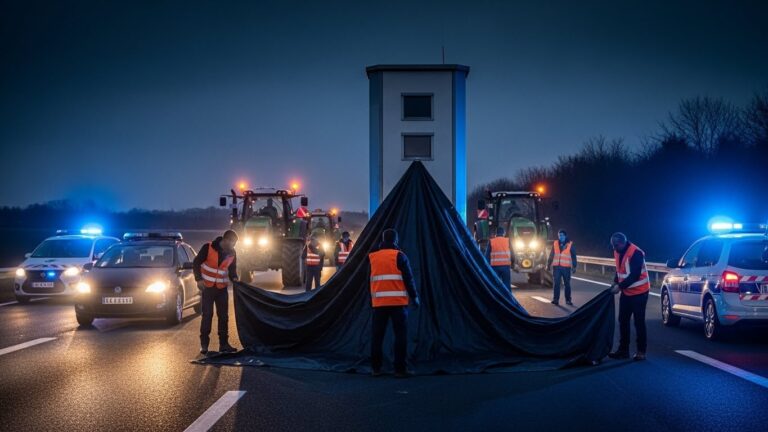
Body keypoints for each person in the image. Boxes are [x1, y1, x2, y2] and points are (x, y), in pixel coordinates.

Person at [368, 229, 419, 378]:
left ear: (383, 239)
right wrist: (414, 297)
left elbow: (368, 282)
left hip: (379, 304)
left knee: (377, 337)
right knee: (400, 336)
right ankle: (400, 370)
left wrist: (371, 301)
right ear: (396, 240)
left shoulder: (373, 257)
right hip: (398, 304)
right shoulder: (400, 256)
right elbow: (409, 279)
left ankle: (376, 369)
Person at [193, 230, 239, 355]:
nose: (233, 246)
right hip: (207, 288)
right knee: (207, 315)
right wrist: (198, 279)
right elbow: (196, 262)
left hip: (222, 289)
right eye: (233, 242)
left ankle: (224, 345)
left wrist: (235, 278)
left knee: (224, 317)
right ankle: (204, 345)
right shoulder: (208, 247)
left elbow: (232, 270)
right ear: (226, 240)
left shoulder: (232, 253)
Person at [607, 232, 650, 361]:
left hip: (640, 292)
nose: (614, 249)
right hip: (627, 292)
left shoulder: (635, 253)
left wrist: (619, 287)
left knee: (639, 322)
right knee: (622, 320)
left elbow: (634, 275)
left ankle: (641, 351)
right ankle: (623, 350)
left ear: (622, 243)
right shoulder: (617, 251)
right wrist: (615, 281)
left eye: (616, 246)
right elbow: (619, 269)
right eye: (613, 246)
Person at [547, 229, 577, 306]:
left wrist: (574, 266)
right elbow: (551, 255)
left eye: (562, 235)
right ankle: (555, 300)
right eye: (559, 235)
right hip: (556, 267)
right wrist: (548, 264)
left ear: (565, 236)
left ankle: (568, 300)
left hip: (566, 268)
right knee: (556, 284)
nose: (561, 237)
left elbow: (573, 256)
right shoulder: (555, 244)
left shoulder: (570, 244)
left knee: (567, 284)